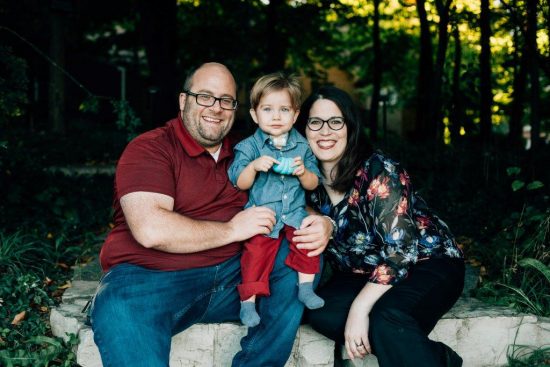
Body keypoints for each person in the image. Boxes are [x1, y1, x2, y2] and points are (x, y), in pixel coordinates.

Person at [89, 62, 333, 367]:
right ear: (183, 101)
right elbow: (151, 230)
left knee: (299, 250)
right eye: (205, 96)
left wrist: (322, 223)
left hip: (234, 277)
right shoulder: (151, 148)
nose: (216, 108)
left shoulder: (248, 150)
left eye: (226, 100)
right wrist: (232, 230)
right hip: (151, 280)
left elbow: (286, 198)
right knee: (119, 307)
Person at [296, 86, 465, 367]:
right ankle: (437, 359)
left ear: (350, 128)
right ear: (304, 129)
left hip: (426, 263)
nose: (325, 131)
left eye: (335, 122)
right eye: (316, 122)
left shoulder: (378, 170)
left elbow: (401, 253)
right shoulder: (305, 181)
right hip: (359, 273)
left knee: (386, 318)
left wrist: (359, 310)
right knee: (320, 312)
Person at [228, 72, 324, 328]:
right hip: (263, 216)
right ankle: (248, 302)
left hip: (294, 212)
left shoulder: (302, 147)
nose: (276, 116)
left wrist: (303, 172)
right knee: (255, 253)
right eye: (268, 109)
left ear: (295, 115)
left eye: (284, 109)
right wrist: (255, 166)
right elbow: (240, 180)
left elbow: (315, 182)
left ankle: (305, 287)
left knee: (308, 242)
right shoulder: (250, 147)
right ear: (254, 115)